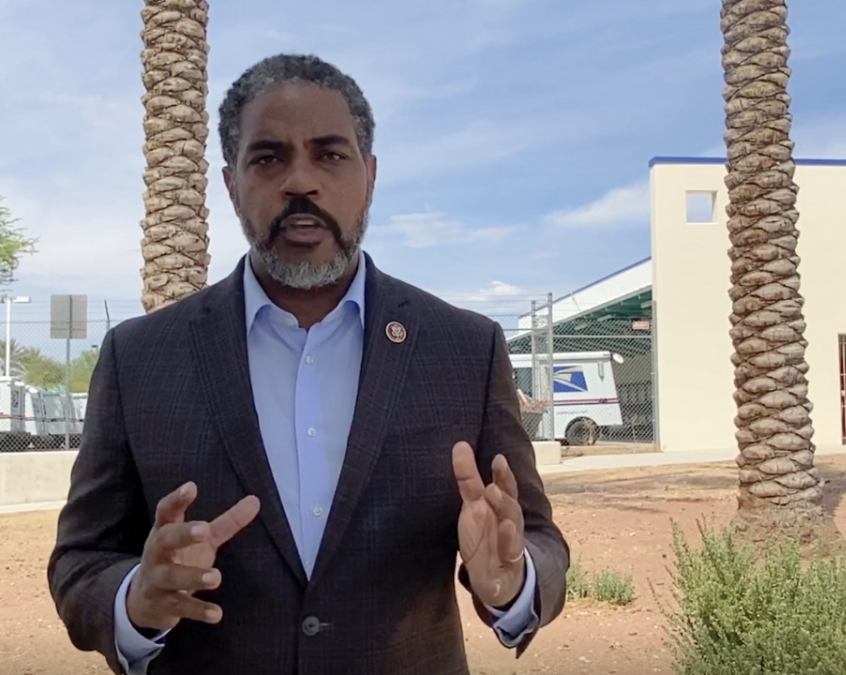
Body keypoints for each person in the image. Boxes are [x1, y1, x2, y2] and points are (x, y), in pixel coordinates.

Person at [47, 53, 569, 675]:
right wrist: (137, 598)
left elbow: (537, 537)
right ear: (231, 183)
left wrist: (512, 581)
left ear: (369, 176)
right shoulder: (140, 357)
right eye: (268, 158)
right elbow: (81, 559)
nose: (301, 181)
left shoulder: (463, 347)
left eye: (330, 154)